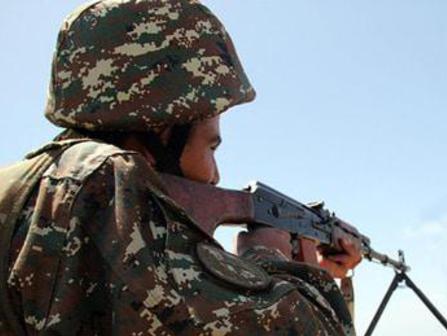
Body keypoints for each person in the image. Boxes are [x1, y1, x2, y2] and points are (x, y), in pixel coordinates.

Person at [0, 0, 361, 334]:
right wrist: (270, 257)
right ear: (162, 131)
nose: (216, 175)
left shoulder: (25, 187)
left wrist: (315, 273)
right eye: (211, 146)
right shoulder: (105, 185)